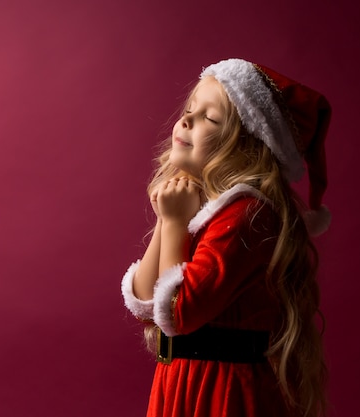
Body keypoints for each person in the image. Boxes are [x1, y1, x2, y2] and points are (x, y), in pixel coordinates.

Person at [121, 58, 332, 417]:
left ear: (248, 145)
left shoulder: (249, 212)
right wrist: (167, 219)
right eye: (190, 110)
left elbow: (178, 313)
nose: (187, 120)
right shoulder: (200, 204)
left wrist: (174, 223)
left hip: (222, 392)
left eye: (210, 118)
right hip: (181, 382)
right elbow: (146, 304)